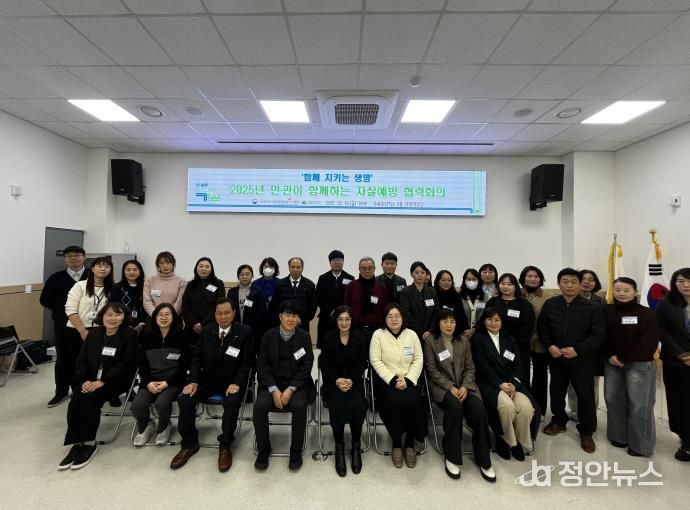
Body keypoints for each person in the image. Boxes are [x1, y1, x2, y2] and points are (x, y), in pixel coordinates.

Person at [170, 298, 254, 472]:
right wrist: (193, 381)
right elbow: (196, 357)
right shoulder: (207, 331)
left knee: (232, 402)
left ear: (234, 313)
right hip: (207, 380)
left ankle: (225, 445)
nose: (223, 317)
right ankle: (189, 443)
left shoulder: (244, 332)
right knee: (185, 398)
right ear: (214, 314)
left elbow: (247, 363)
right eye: (219, 313)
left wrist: (237, 383)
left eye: (227, 313)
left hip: (231, 381)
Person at [58, 302, 137, 470]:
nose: (113, 318)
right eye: (109, 314)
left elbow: (127, 363)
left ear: (124, 316)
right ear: (102, 316)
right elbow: (81, 360)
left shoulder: (129, 334)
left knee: (90, 399)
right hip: (90, 380)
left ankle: (89, 443)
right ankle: (76, 443)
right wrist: (84, 381)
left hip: (115, 380)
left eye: (118, 314)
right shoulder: (94, 333)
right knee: (76, 399)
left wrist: (103, 380)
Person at [423, 309, 495, 481]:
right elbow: (431, 370)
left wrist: (465, 386)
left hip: (465, 386)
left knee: (479, 409)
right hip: (442, 387)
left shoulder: (463, 340)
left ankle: (484, 459)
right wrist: (450, 387)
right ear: (438, 323)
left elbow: (470, 367)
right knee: (455, 408)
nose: (449, 325)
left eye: (452, 321)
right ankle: (452, 456)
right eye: (445, 321)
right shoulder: (431, 341)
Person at [538, 268, 605, 453]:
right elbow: (542, 327)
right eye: (565, 281)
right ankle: (559, 421)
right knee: (556, 391)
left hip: (581, 359)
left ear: (579, 284)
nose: (569, 285)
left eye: (574, 282)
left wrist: (577, 350)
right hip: (557, 357)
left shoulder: (592, 307)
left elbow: (598, 334)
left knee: (585, 396)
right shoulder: (551, 304)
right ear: (558, 284)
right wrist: (550, 346)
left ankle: (587, 431)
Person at [254, 301, 315, 471]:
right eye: (287, 315)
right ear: (280, 316)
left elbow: (307, 365)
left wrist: (291, 389)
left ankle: (295, 450)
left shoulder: (304, 336)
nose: (291, 319)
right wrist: (274, 390)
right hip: (271, 384)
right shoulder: (268, 336)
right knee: (259, 406)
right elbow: (262, 365)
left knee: (299, 406)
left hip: (297, 384)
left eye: (294, 316)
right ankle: (263, 449)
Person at [603, 277, 659, 457]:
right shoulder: (606, 310)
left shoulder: (646, 313)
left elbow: (649, 340)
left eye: (626, 290)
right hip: (612, 362)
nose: (621, 293)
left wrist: (626, 358)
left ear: (635, 292)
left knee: (640, 404)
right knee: (614, 399)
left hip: (639, 363)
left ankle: (641, 445)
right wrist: (610, 355)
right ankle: (618, 436)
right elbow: (601, 335)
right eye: (618, 290)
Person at [471, 308, 536, 462]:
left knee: (526, 408)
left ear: (502, 322)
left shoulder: (509, 339)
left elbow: (518, 365)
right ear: (484, 321)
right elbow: (482, 366)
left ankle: (518, 440)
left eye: (497, 320)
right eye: (489, 319)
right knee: (507, 407)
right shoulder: (478, 339)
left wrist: (512, 383)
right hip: (490, 383)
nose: (493, 323)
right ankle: (508, 441)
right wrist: (500, 384)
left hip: (511, 383)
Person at [369, 304, 427, 469]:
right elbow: (375, 360)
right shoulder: (378, 335)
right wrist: (393, 380)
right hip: (387, 382)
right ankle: (396, 442)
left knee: (416, 403)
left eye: (397, 316)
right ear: (385, 319)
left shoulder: (412, 335)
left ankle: (409, 443)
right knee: (393, 403)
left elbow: (418, 359)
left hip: (409, 380)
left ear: (402, 318)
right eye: (390, 316)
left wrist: (408, 379)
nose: (394, 319)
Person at [319, 305, 368, 477]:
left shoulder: (360, 337)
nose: (344, 322)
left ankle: (356, 446)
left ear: (352, 320)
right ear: (336, 321)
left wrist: (351, 380)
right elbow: (324, 364)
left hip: (354, 382)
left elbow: (363, 363)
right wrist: (337, 379)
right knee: (337, 404)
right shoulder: (328, 337)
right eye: (340, 319)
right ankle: (339, 447)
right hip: (333, 383)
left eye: (347, 319)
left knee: (358, 405)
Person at [40, 245, 90, 407]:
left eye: (77, 255)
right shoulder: (55, 278)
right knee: (63, 359)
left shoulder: (92, 275)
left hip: (88, 325)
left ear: (84, 257)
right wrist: (68, 308)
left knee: (86, 358)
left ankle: (80, 389)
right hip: (63, 325)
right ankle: (61, 392)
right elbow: (44, 299)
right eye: (69, 255)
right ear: (65, 259)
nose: (73, 258)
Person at [132, 303, 187, 447]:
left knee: (162, 403)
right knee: (137, 405)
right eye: (160, 315)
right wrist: (148, 382)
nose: (164, 317)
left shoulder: (182, 337)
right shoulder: (147, 337)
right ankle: (146, 426)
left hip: (173, 382)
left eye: (167, 314)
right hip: (150, 381)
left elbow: (184, 367)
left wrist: (167, 383)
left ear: (174, 317)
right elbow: (142, 364)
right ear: (154, 318)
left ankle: (164, 427)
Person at [64, 257, 115, 405]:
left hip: (102, 331)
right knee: (77, 362)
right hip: (76, 329)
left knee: (101, 363)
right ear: (92, 268)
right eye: (99, 265)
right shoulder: (80, 286)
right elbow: (70, 309)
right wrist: (83, 331)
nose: (103, 269)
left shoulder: (112, 288)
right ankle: (78, 390)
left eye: (107, 266)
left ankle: (103, 392)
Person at [656, 267, 690, 462]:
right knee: (679, 401)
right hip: (675, 362)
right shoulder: (665, 304)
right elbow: (661, 331)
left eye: (689, 281)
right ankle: (686, 440)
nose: (686, 285)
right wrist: (681, 354)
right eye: (681, 281)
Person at [568, 268, 606, 419]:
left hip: (592, 349)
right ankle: (574, 410)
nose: (587, 282)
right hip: (572, 348)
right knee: (572, 383)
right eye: (583, 279)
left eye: (591, 280)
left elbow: (602, 327)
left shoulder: (600, 301)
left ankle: (591, 412)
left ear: (595, 283)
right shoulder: (569, 299)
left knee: (592, 384)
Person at [486, 273, 536, 386]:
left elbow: (528, 327)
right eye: (502, 283)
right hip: (494, 347)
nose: (505, 286)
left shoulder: (524, 304)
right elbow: (485, 321)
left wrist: (509, 343)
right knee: (497, 379)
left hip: (518, 347)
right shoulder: (493, 302)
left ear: (515, 286)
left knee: (519, 379)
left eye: (509, 284)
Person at [519, 265, 549, 420]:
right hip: (520, 341)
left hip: (540, 342)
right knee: (522, 374)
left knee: (540, 376)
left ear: (541, 279)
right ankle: (524, 407)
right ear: (523, 278)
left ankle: (540, 409)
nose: (532, 279)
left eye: (536, 276)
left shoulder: (547, 297)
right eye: (529, 276)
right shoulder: (517, 294)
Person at [343, 256, 389, 345]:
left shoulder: (381, 287)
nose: (367, 271)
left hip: (377, 331)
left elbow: (386, 310)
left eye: (370, 268)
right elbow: (346, 308)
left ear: (374, 269)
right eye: (363, 268)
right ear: (359, 269)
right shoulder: (351, 286)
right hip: (355, 330)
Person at [315, 250, 355, 348]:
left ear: (343, 262)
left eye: (339, 260)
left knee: (343, 345)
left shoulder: (350, 278)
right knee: (325, 345)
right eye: (334, 260)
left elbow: (350, 298)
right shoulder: (323, 278)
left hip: (344, 317)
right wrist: (330, 310)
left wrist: (340, 311)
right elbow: (318, 297)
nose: (337, 262)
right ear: (330, 262)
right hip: (326, 316)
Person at [181, 257, 225, 343]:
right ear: (196, 268)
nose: (204, 269)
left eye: (207, 266)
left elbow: (219, 306)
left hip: (211, 327)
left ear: (211, 269)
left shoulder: (218, 283)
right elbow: (185, 306)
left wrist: (203, 324)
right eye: (201, 266)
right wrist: (194, 323)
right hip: (192, 328)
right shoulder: (190, 284)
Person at [271, 257, 317, 332]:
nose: (295, 270)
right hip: (282, 324)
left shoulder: (310, 285)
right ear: (289, 268)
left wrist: (302, 320)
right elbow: (274, 305)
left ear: (302, 268)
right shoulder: (279, 284)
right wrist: (283, 319)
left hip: (302, 325)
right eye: (293, 267)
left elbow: (312, 307)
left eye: (298, 267)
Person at [227, 264, 266, 350]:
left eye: (247, 274)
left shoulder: (258, 292)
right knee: (234, 352)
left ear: (252, 275)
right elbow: (229, 311)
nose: (244, 277)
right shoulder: (231, 292)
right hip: (235, 329)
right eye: (242, 274)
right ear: (238, 276)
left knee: (249, 353)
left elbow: (261, 314)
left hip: (253, 331)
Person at [399, 261, 438, 341]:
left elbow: (436, 312)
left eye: (422, 272)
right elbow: (406, 314)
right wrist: (420, 332)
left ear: (426, 274)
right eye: (416, 273)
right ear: (412, 274)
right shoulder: (406, 292)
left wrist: (430, 330)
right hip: (412, 333)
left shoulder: (432, 291)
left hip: (430, 333)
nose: (420, 275)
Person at [143, 251, 186, 316]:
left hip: (174, 317)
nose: (165, 266)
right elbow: (147, 302)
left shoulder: (181, 282)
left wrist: (169, 316)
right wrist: (156, 315)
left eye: (168, 262)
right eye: (161, 263)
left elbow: (179, 302)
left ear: (173, 264)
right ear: (158, 265)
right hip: (153, 317)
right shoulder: (149, 280)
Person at [109, 259, 145, 331]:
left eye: (135, 270)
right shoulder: (117, 287)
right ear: (124, 272)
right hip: (121, 325)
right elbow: (113, 307)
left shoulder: (145, 286)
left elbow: (147, 306)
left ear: (140, 271)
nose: (132, 272)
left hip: (142, 325)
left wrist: (141, 324)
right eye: (128, 270)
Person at [458, 268, 486, 338]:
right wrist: (465, 331)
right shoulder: (459, 296)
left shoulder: (485, 297)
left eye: (474, 279)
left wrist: (474, 329)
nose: (471, 281)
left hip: (480, 333)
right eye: (468, 279)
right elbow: (458, 315)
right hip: (463, 334)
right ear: (464, 280)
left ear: (479, 280)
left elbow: (486, 316)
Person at [254, 256, 280, 329]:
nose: (268, 269)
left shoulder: (280, 283)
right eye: (266, 267)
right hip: (259, 319)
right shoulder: (255, 283)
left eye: (271, 267)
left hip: (276, 319)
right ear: (262, 268)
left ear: (275, 268)